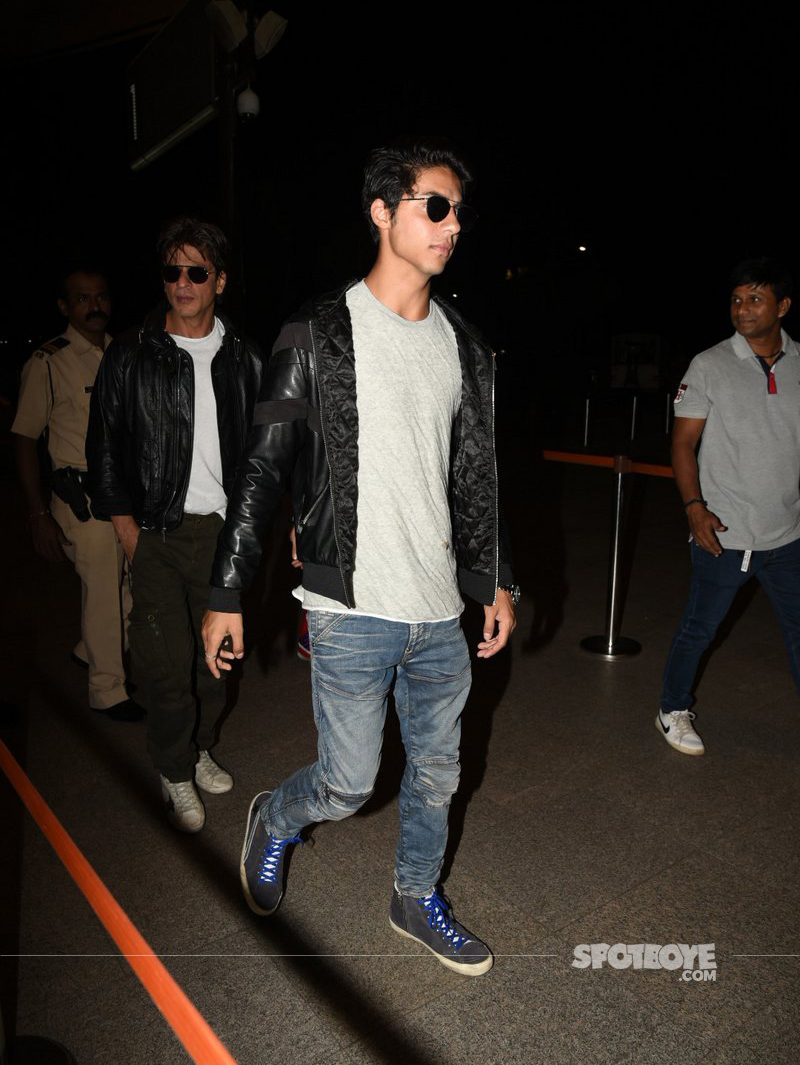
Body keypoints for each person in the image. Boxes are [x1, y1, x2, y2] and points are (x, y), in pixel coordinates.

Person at [202, 140, 518, 975]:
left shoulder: (467, 348)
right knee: (347, 782)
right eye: (434, 207)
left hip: (439, 611)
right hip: (350, 610)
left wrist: (497, 581)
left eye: (459, 211)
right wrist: (228, 589)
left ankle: (415, 896)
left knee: (439, 776)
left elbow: (477, 477)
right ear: (383, 212)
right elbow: (264, 469)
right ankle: (276, 815)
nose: (452, 227)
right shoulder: (314, 334)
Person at [86, 218, 264, 831]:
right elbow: (103, 446)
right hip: (157, 532)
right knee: (165, 670)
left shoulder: (245, 358)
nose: (182, 283)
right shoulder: (130, 353)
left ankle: (200, 746)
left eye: (196, 271)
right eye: (172, 271)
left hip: (220, 536)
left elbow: (263, 459)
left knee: (212, 667)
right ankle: (174, 769)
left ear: (219, 280)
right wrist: (126, 528)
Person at [657, 256, 800, 756]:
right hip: (726, 531)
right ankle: (672, 708)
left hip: (788, 533)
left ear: (782, 306)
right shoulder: (710, 364)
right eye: (736, 300)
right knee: (700, 627)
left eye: (755, 299)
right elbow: (682, 444)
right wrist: (695, 507)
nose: (742, 309)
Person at [12, 266, 144, 722]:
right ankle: (108, 691)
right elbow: (25, 437)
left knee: (135, 587)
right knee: (106, 593)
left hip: (123, 492)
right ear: (65, 307)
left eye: (102, 297)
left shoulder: (122, 352)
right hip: (81, 498)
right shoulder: (49, 362)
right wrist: (36, 514)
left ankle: (91, 649)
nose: (95, 306)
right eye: (83, 299)